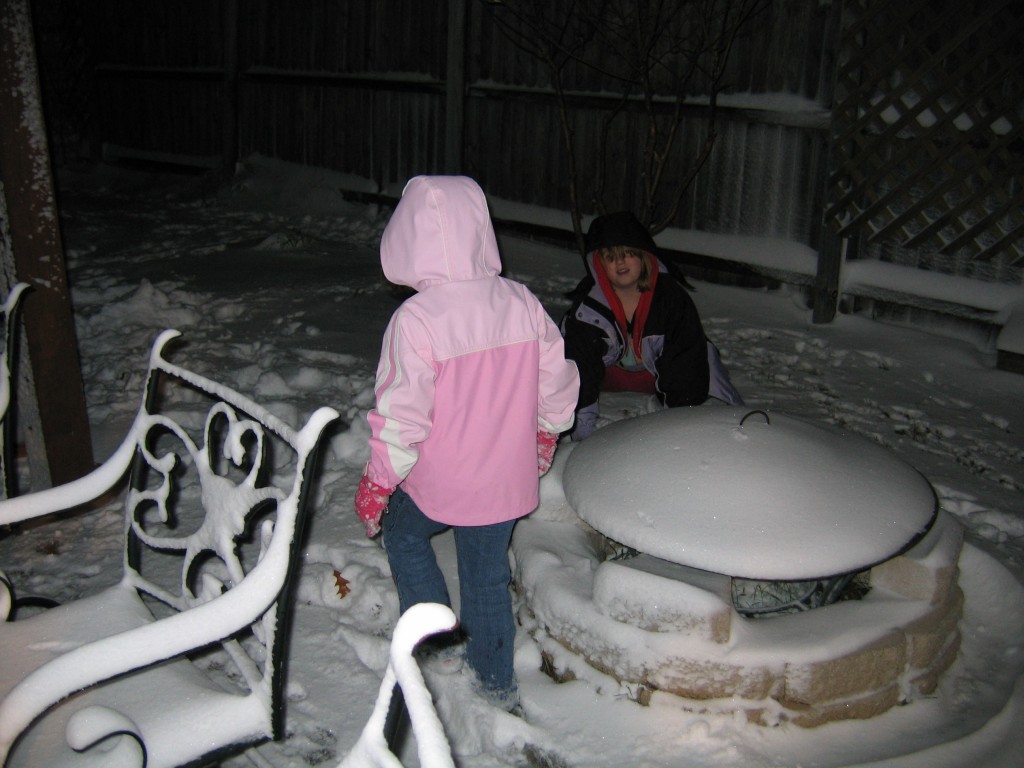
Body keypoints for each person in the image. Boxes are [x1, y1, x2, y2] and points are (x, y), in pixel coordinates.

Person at [354, 175, 580, 711]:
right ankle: (495, 684)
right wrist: (547, 429)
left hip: (442, 481)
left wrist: (378, 482)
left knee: (405, 535)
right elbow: (557, 378)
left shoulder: (416, 321)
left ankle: (434, 638)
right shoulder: (520, 301)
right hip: (504, 477)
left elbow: (399, 414)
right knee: (486, 576)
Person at [561, 211, 742, 441]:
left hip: (657, 375)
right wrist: (580, 428)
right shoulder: (588, 304)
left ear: (644, 256)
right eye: (610, 256)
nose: (620, 262)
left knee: (701, 355)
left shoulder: (671, 299)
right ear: (598, 263)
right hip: (608, 375)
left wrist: (678, 418)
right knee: (567, 345)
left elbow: (685, 358)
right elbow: (579, 364)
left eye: (628, 253)